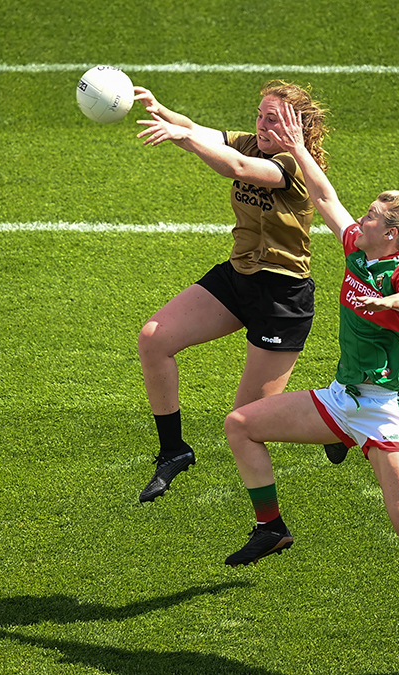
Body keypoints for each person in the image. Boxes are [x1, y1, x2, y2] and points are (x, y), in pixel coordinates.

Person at [219, 103, 399, 661]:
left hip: (389, 409)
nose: (357, 220)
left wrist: (388, 300)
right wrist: (295, 146)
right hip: (343, 398)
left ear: (390, 233)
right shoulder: (356, 250)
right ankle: (271, 527)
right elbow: (323, 195)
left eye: (369, 217)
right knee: (240, 424)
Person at [132, 80, 333, 503]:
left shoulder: (296, 164)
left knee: (249, 420)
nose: (260, 124)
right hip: (237, 278)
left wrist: (184, 136)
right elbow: (198, 131)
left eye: (272, 118)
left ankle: (337, 427)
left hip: (282, 297)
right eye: (259, 114)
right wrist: (162, 110)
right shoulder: (251, 143)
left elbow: (238, 169)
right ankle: (174, 451)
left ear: (297, 126)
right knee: (154, 338)